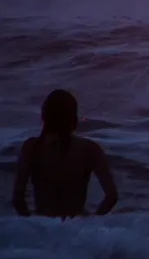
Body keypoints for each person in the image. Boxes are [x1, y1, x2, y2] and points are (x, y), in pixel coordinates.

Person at [11, 90, 118, 218]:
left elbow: (18, 197)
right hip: (75, 229)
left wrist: (31, 224)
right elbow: (111, 196)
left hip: (42, 226)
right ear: (73, 117)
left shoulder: (32, 147)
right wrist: (92, 222)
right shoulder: (89, 148)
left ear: (44, 115)